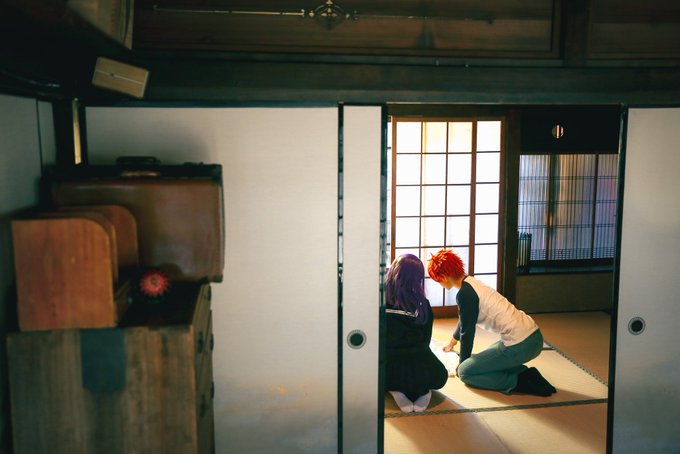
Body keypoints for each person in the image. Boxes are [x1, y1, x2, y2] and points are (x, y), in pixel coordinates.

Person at [427, 249, 556, 397]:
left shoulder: (465, 294)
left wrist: (462, 364)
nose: (439, 284)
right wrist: (452, 342)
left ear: (443, 276)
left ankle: (519, 381)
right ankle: (525, 373)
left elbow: (467, 332)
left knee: (466, 372)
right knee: (481, 361)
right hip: (532, 336)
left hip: (521, 345)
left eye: (438, 280)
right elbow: (464, 321)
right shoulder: (471, 283)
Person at [385, 254, 448, 412]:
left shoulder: (379, 301)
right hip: (419, 366)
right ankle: (422, 391)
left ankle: (395, 389)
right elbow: (426, 341)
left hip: (389, 367)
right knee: (440, 375)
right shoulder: (422, 304)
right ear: (418, 278)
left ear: (392, 273)